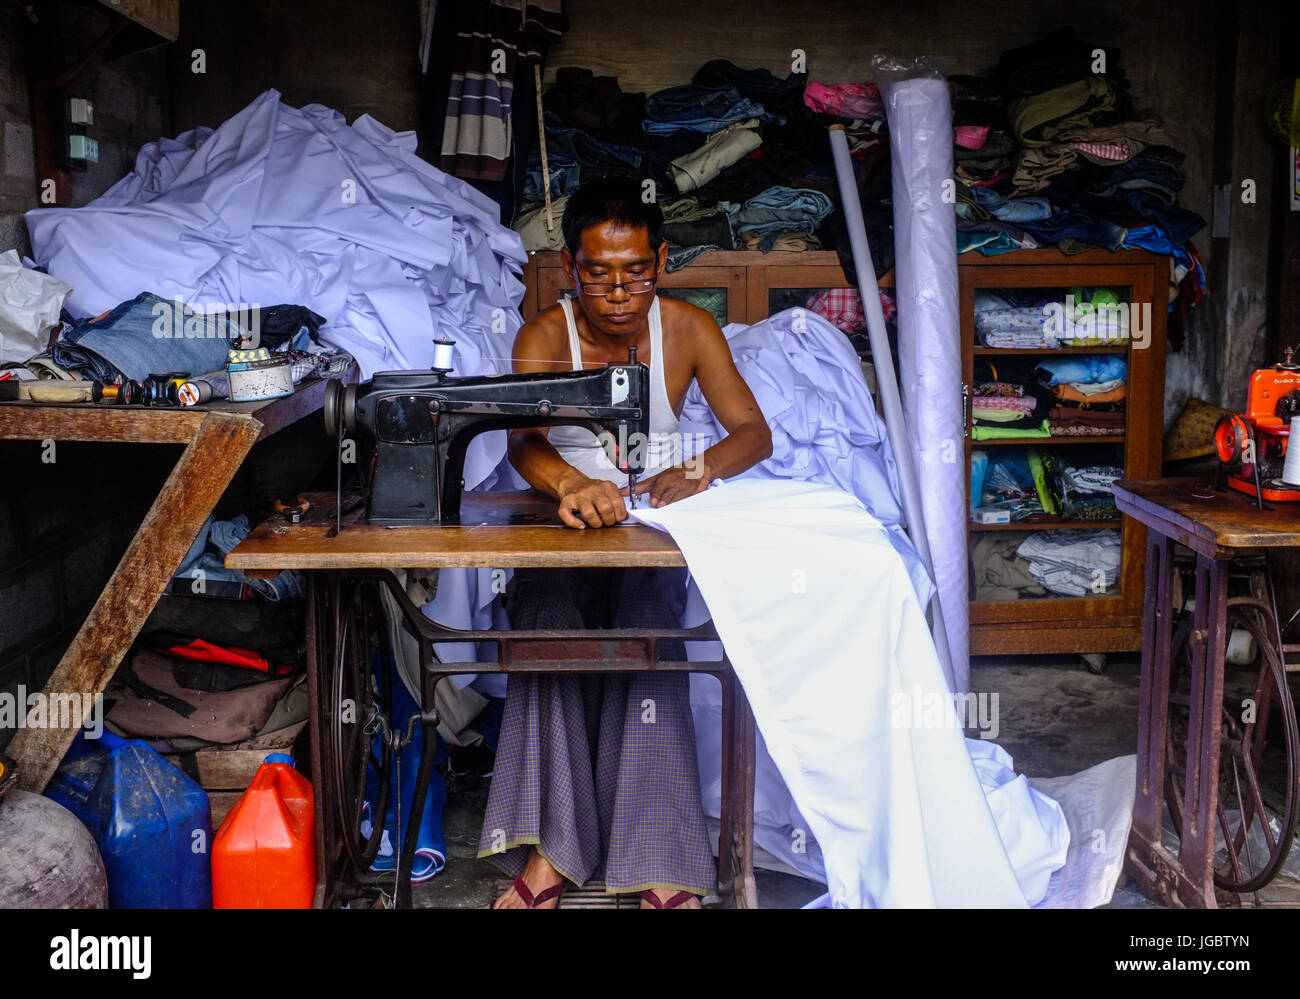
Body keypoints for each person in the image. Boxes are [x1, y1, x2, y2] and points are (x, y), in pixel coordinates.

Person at [479, 177, 772, 909]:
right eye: (599, 273)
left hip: (648, 531)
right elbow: (523, 442)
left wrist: (696, 467)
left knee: (652, 623)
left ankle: (661, 855)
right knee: (545, 622)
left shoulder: (688, 329)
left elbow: (754, 432)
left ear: (662, 259)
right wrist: (568, 486)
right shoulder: (546, 336)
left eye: (635, 271)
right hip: (565, 525)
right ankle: (551, 852)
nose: (618, 291)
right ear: (572, 269)